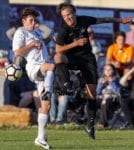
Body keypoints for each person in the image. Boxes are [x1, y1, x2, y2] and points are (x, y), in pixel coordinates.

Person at [54, 2, 132, 140]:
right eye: (64, 16)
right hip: (72, 59)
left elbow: (104, 20)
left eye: (69, 15)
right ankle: (67, 85)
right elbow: (58, 49)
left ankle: (90, 124)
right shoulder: (63, 30)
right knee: (58, 57)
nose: (67, 18)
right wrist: (75, 44)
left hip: (88, 61)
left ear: (74, 13)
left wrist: (121, 20)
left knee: (92, 94)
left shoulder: (84, 20)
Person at [12, 8, 55, 150]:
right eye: (30, 20)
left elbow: (47, 35)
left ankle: (40, 138)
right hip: (34, 68)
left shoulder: (37, 32)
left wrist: (41, 29)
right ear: (23, 21)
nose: (33, 22)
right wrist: (31, 44)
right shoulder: (20, 32)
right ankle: (50, 90)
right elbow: (17, 52)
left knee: (46, 106)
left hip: (44, 69)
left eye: (35, 20)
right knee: (52, 67)